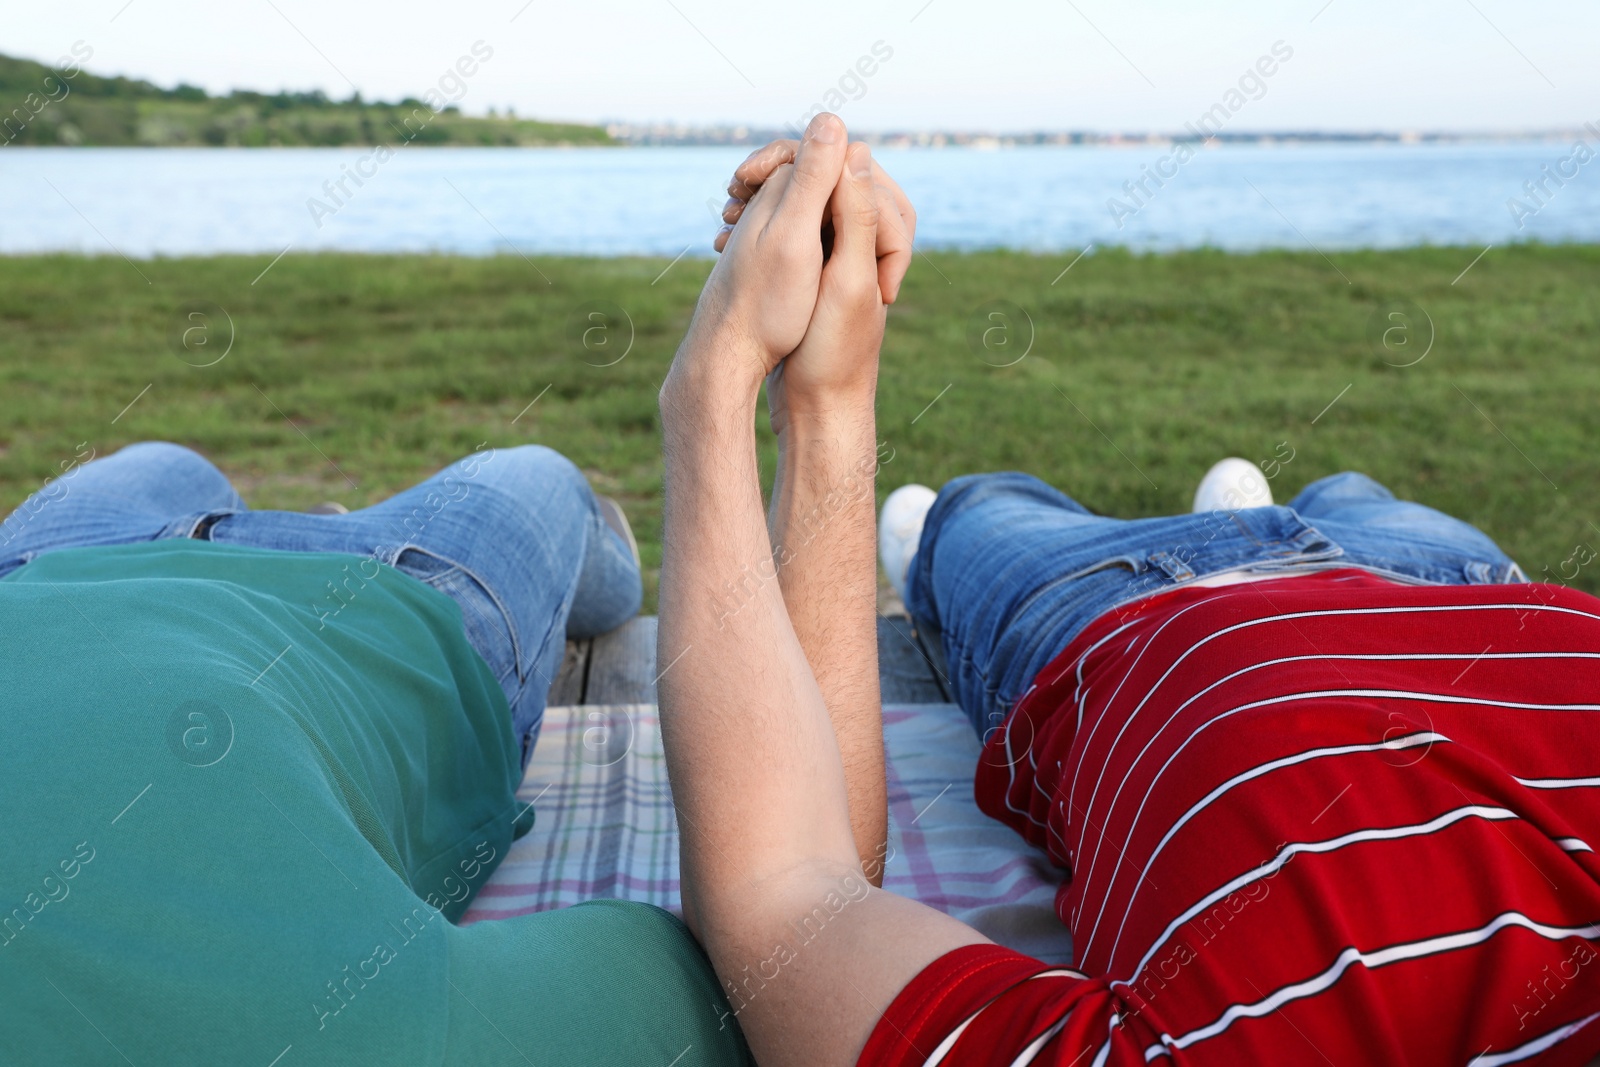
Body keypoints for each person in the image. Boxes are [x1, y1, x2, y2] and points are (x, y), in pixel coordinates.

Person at [656, 112, 1600, 1067]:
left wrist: (750, 381)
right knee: (1358, 493)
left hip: (1122, 615)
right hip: (1463, 584)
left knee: (974, 509)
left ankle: (940, 538)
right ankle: (1256, 507)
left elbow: (795, 898)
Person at [0, 441, 753, 1064]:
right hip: (400, 593)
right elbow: (701, 977)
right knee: (540, 472)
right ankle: (600, 573)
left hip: (37, 568)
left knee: (166, 458)